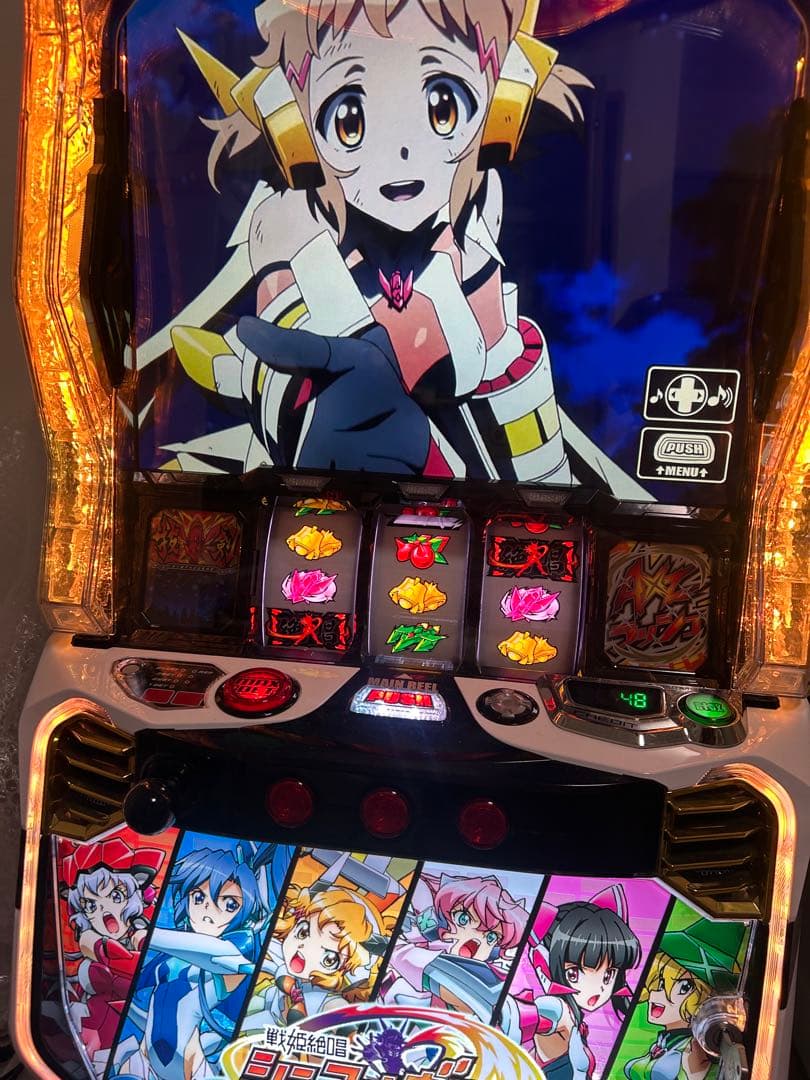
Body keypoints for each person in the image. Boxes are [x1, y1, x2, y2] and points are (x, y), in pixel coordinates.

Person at [168, 0, 590, 483]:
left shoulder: (473, 224)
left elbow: (513, 408)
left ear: (502, 107)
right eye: (349, 119)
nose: (402, 151)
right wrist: (306, 416)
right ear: (291, 128)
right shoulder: (290, 230)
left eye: (444, 107)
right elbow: (286, 360)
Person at [506, 885, 641, 1080]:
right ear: (543, 963)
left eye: (608, 975)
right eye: (574, 973)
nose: (597, 988)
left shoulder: (575, 1019)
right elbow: (524, 1015)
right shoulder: (558, 1009)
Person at [624, 918, 745, 1080]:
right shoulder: (663, 1043)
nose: (659, 995)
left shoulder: (693, 1049)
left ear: (709, 998)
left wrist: (692, 1074)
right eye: (660, 983)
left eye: (684, 987)